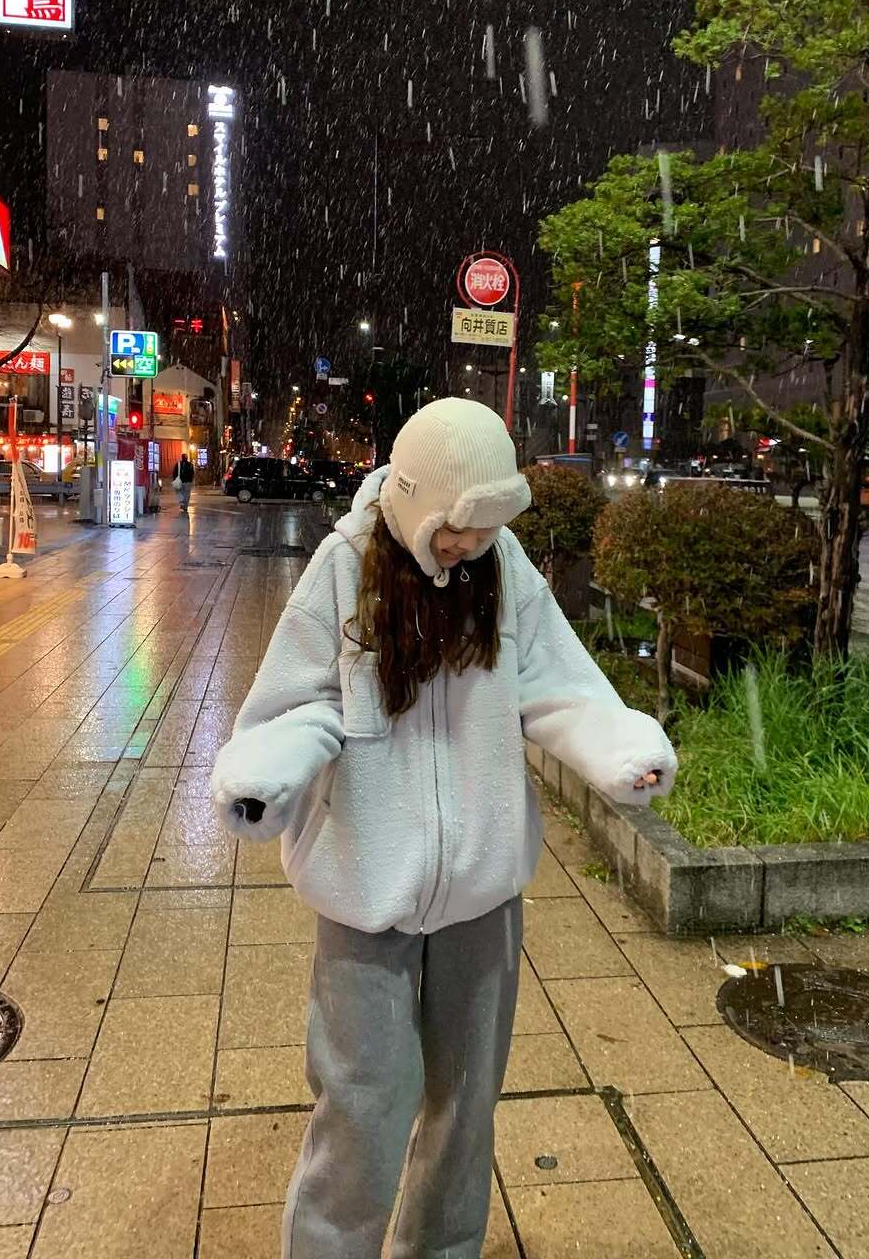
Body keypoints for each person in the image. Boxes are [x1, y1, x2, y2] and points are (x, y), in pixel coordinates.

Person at [210, 398, 677, 1259]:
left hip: (481, 891)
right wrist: (266, 772)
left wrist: (620, 750)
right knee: (363, 1102)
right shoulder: (344, 564)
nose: (472, 544)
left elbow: (556, 682)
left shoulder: (503, 567)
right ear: (415, 500)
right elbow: (296, 702)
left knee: (466, 1103)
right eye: (458, 527)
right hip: (364, 888)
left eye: (489, 527)